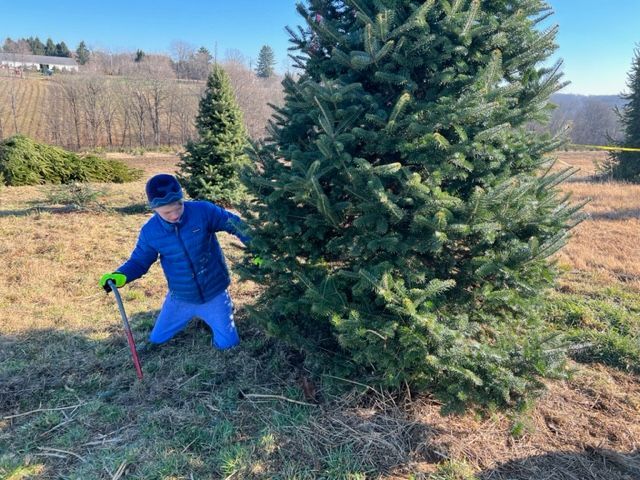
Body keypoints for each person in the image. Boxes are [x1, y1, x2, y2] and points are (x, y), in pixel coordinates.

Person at [100, 173, 249, 350]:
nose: (174, 215)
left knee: (228, 345)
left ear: (182, 198)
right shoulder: (150, 232)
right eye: (166, 212)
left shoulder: (203, 212)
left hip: (214, 292)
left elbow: (235, 223)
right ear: (154, 209)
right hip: (180, 297)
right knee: (156, 339)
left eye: (178, 207)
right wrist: (121, 276)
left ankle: (223, 309)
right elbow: (140, 261)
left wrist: (258, 247)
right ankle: (184, 316)